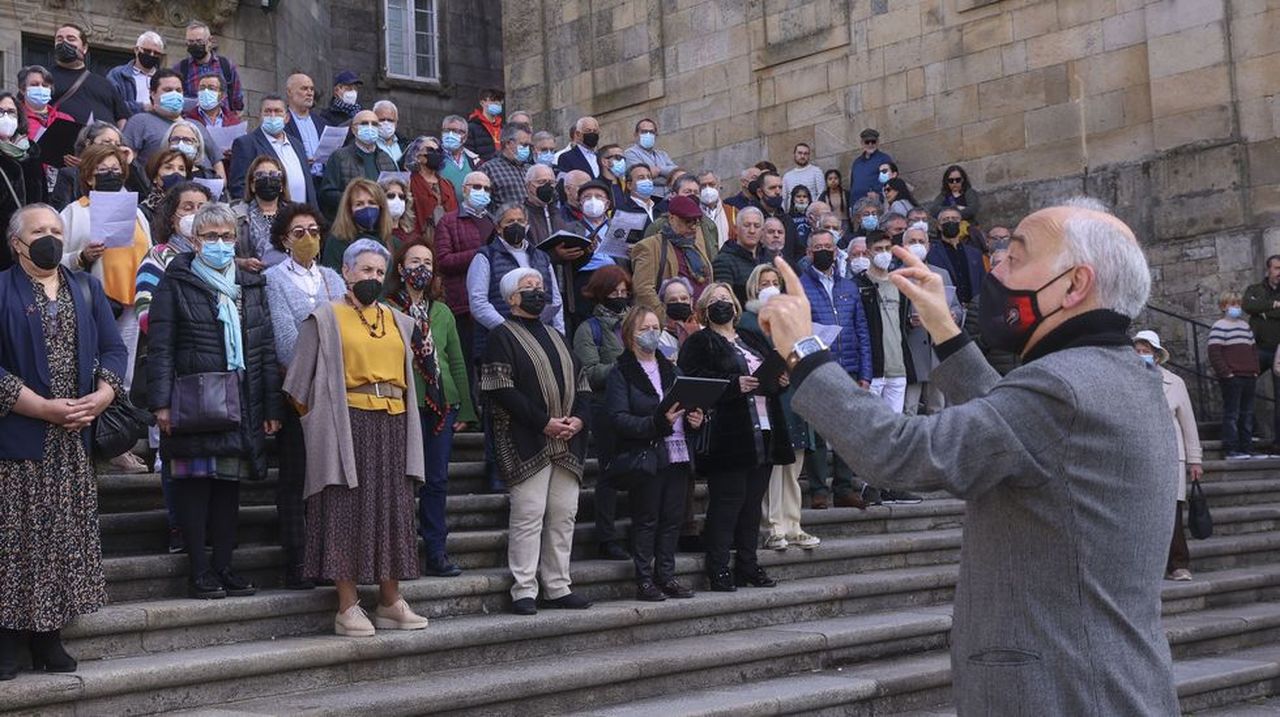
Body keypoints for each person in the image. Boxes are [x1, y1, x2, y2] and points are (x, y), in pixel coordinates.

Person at [760, 197, 1180, 715]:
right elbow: (1011, 427)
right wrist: (945, 330)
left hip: (1062, 692)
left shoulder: (1061, 387)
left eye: (1016, 257)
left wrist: (804, 350)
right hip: (1109, 681)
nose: (996, 267)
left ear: (1075, 285)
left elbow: (901, 453)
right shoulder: (1119, 373)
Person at [0, 203, 126, 680]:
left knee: (62, 538)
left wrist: (103, 395)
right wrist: (39, 406)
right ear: (18, 242)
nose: (50, 237)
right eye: (40, 231)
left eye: (57, 229)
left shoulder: (87, 289)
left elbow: (114, 348)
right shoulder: (2, 290)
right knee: (13, 542)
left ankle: (49, 637)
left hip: (73, 439)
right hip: (18, 438)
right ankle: (7, 641)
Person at [282, 238, 429, 636]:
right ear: (345, 272)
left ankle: (390, 600)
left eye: (380, 272)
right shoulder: (325, 317)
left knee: (394, 509)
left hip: (395, 422)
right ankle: (347, 607)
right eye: (365, 270)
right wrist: (322, 423)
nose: (373, 277)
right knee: (345, 509)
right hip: (347, 423)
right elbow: (297, 386)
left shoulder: (400, 320)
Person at [147, 202, 281, 600]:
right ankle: (199, 571)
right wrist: (161, 404)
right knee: (194, 488)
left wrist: (271, 407)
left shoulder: (249, 284)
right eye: (210, 236)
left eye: (226, 236)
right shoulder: (176, 281)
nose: (219, 243)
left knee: (228, 488)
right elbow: (160, 347)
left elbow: (264, 347)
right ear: (194, 240)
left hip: (240, 397)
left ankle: (224, 567)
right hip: (194, 398)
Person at [481, 267, 593, 616]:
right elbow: (501, 388)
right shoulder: (501, 335)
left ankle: (558, 585)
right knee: (529, 514)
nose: (536, 292)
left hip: (566, 438)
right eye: (528, 288)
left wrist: (579, 418)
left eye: (540, 287)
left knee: (564, 513)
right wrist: (543, 422)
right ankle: (524, 589)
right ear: (512, 297)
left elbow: (583, 382)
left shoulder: (557, 334)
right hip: (525, 437)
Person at [678, 283, 791, 591]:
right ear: (704, 309)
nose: (722, 305)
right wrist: (732, 383)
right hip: (728, 433)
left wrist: (779, 380)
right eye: (715, 301)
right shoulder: (700, 341)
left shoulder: (752, 338)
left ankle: (748, 564)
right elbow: (692, 380)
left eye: (726, 299)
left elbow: (768, 375)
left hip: (765, 428)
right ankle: (718, 568)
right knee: (727, 503)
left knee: (753, 505)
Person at [262, 203, 345, 589]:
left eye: (313, 230)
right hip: (297, 392)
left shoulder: (332, 278)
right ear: (284, 238)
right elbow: (284, 339)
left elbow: (349, 329)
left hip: (336, 393)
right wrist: (320, 366)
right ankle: (297, 560)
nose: (308, 238)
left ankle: (328, 557)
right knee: (296, 479)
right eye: (298, 232)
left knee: (329, 479)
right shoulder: (274, 278)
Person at [387, 240, 475, 577]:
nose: (421, 268)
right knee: (404, 480)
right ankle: (402, 551)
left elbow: (456, 361)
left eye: (427, 262)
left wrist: (464, 409)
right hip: (403, 404)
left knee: (437, 480)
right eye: (414, 261)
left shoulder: (442, 312)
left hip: (442, 405)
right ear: (400, 268)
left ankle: (437, 551)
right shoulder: (387, 308)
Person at [605, 306, 703, 600]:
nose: (652, 333)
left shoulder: (672, 369)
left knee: (672, 519)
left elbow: (687, 406)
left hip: (677, 452)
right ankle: (644, 579)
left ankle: (667, 576)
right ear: (630, 335)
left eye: (655, 327)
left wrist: (696, 420)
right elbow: (618, 418)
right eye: (644, 328)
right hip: (646, 454)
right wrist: (657, 423)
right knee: (647, 519)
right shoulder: (621, 372)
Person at [135, 182, 210, 551]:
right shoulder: (158, 256)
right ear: (172, 214)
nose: (194, 213)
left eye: (202, 205)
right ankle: (179, 524)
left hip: (213, 371)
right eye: (187, 206)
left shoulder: (219, 256)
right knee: (174, 453)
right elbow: (145, 310)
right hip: (177, 368)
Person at [60, 144, 152, 413]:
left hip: (133, 303)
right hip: (97, 305)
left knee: (124, 373)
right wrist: (82, 256)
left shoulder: (136, 212)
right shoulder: (75, 212)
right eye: (103, 170)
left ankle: (117, 433)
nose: (111, 174)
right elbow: (55, 260)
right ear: (89, 177)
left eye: (115, 169)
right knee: (94, 369)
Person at [740, 265, 819, 551]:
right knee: (774, 468)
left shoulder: (789, 317)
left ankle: (793, 524)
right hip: (771, 397)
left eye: (775, 281)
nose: (771, 286)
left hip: (795, 392)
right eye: (765, 282)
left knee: (793, 468)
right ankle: (773, 526)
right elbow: (757, 358)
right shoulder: (748, 322)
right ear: (754, 287)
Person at [797, 229, 875, 509]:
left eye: (828, 246)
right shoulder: (799, 286)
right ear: (808, 252)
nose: (824, 251)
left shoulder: (849, 287)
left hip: (849, 368)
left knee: (847, 430)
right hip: (817, 369)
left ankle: (843, 486)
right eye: (818, 246)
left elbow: (862, 330)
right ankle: (819, 488)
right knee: (817, 432)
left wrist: (865, 374)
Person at [1132, 330, 1203, 583]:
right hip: (1139, 457)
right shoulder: (1126, 381)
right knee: (1141, 512)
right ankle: (1146, 565)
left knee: (1172, 512)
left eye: (1146, 351)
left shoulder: (1175, 383)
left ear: (1157, 355)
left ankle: (1178, 564)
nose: (1142, 356)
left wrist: (1195, 459)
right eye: (1138, 351)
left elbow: (1188, 424)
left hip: (1172, 457)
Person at [572, 265, 633, 560]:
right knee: (609, 472)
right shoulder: (589, 329)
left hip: (638, 407)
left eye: (624, 292)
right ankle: (606, 536)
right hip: (606, 407)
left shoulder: (635, 322)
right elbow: (590, 372)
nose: (620, 298)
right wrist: (625, 366)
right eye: (614, 292)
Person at [902, 225, 963, 417]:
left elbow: (955, 305)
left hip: (937, 351)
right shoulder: (897, 274)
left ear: (928, 247)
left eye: (921, 242)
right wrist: (909, 321)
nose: (917, 245)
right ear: (903, 246)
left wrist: (954, 315)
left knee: (938, 407)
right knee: (908, 407)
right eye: (912, 242)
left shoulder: (940, 273)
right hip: (911, 350)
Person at [436, 171, 496, 360]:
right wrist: (480, 254)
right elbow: (443, 261)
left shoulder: (494, 221)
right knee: (467, 361)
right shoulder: (448, 221)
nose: (482, 192)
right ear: (464, 190)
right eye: (476, 187)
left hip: (493, 303)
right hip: (463, 304)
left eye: (486, 189)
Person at [855, 232, 914, 415]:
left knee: (894, 427)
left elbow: (903, 324)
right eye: (878, 249)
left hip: (898, 367)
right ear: (868, 252)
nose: (884, 253)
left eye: (887, 249)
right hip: (873, 369)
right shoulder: (858, 285)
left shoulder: (900, 285)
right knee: (870, 426)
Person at [121, 70, 223, 174]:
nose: (174, 94)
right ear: (152, 93)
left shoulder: (197, 125)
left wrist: (220, 186)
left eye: (178, 90)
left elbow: (216, 161)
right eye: (168, 90)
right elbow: (126, 161)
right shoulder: (140, 122)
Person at [632, 194, 714, 316]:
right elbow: (643, 289)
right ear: (671, 219)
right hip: (671, 322)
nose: (693, 227)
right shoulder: (649, 247)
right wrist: (665, 318)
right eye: (687, 221)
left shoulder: (696, 245)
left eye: (696, 222)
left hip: (701, 319)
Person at [228, 94, 315, 206]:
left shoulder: (297, 144)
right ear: (260, 116)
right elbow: (239, 186)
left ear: (287, 118)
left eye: (278, 111)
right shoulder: (246, 144)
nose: (273, 116)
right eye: (268, 111)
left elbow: (308, 184)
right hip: (268, 216)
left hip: (301, 215)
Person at [1208, 291, 1259, 460]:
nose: (1236, 308)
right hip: (1232, 377)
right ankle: (1231, 447)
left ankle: (1247, 446)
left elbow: (1253, 350)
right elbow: (1215, 353)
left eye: (1237, 304)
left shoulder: (1245, 326)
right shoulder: (1219, 326)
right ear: (1223, 307)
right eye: (1232, 304)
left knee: (1247, 413)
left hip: (1249, 375)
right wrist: (1226, 373)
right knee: (1232, 413)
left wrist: (1255, 369)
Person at [319, 110, 398, 218]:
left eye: (374, 124)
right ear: (353, 129)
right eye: (364, 123)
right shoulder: (339, 157)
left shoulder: (386, 158)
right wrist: (356, 199)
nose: (370, 127)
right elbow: (327, 193)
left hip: (381, 221)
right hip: (350, 222)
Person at [0, 91, 47, 272]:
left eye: (11, 112)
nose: (6, 117)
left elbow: (42, 199)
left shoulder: (31, 153)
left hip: (29, 247)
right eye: (1, 111)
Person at [48, 24, 129, 127]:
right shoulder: (44, 79)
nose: (64, 42)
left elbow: (122, 117)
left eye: (71, 39)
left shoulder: (104, 84)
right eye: (59, 39)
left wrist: (116, 138)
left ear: (85, 48)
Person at [1243, 255, 1280, 446]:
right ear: (1268, 270)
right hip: (1257, 348)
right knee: (1244, 389)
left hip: (1279, 352)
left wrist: (1264, 311)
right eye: (1276, 268)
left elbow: (1256, 308)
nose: (1279, 273)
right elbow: (1248, 305)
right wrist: (1272, 305)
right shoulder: (1255, 289)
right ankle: (1245, 438)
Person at [232, 156, 291, 271]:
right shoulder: (236, 214)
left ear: (282, 185)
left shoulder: (296, 213)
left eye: (274, 175)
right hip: (253, 280)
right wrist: (242, 263)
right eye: (261, 175)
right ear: (252, 185)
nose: (268, 180)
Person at [321, 178, 391, 271]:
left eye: (372, 203)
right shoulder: (337, 242)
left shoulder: (389, 241)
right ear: (349, 210)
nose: (367, 207)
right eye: (359, 204)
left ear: (381, 207)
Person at [174, 21, 244, 113]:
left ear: (210, 41)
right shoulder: (181, 69)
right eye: (191, 42)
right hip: (192, 122)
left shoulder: (226, 66)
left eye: (199, 41)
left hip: (221, 122)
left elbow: (237, 101)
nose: (195, 45)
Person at [927, 206, 986, 306]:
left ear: (961, 224)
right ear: (939, 226)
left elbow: (982, 282)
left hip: (974, 309)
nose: (950, 222)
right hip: (947, 308)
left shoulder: (975, 253)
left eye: (954, 219)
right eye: (946, 219)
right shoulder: (931, 253)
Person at [712, 206, 767, 304]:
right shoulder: (723, 261)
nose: (752, 230)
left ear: (762, 231)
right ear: (736, 229)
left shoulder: (768, 258)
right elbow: (723, 300)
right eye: (747, 225)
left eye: (757, 226)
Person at [106, 31, 166, 116]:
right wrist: (143, 107)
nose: (152, 55)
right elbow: (111, 103)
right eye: (147, 51)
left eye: (156, 53)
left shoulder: (165, 79)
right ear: (136, 50)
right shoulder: (118, 74)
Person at [282, 72, 330, 177]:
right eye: (304, 89)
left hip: (323, 183)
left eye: (311, 89)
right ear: (289, 92)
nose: (310, 93)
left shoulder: (322, 123)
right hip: (298, 180)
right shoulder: (281, 124)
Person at [406, 136, 458, 230]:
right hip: (420, 237)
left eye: (438, 151)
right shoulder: (408, 182)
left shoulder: (447, 184)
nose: (435, 154)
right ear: (417, 156)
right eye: (430, 150)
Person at [19, 65, 75, 146]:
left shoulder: (66, 120)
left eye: (45, 85)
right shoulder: (15, 119)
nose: (40, 88)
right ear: (22, 90)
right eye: (34, 85)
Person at [623, 119, 678, 198]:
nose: (648, 134)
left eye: (651, 132)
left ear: (656, 135)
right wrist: (667, 177)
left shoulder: (662, 154)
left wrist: (658, 170)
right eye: (644, 132)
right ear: (636, 135)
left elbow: (676, 173)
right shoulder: (630, 153)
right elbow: (641, 176)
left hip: (668, 197)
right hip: (648, 197)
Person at [138, 148, 194, 223]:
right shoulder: (144, 212)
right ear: (155, 177)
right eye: (168, 168)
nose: (176, 173)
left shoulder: (194, 206)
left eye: (181, 169)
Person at [481, 123, 532, 206]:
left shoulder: (530, 169)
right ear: (508, 143)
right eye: (524, 145)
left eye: (529, 145)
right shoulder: (489, 169)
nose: (527, 149)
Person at [439, 115, 482, 205]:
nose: (450, 135)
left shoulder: (474, 160)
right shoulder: (435, 156)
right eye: (446, 130)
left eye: (455, 131)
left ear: (465, 137)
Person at [523, 163, 566, 247]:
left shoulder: (559, 213)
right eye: (541, 182)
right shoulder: (522, 216)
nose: (547, 186)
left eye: (551, 182)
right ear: (528, 186)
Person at [657, 277, 700, 359]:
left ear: (691, 301)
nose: (679, 302)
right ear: (663, 306)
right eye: (673, 300)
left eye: (684, 298)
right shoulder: (661, 339)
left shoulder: (703, 330)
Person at [848, 128, 892, 206]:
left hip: (875, 204)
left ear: (877, 142)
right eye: (867, 142)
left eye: (873, 141)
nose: (870, 144)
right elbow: (852, 184)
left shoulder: (884, 159)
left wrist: (879, 195)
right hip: (856, 204)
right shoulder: (857, 162)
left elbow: (890, 182)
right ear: (862, 143)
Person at [381, 176, 420, 253]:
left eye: (401, 196)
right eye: (391, 196)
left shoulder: (412, 236)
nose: (397, 200)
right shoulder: (378, 236)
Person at [465, 89, 505, 162]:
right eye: (493, 101)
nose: (497, 104)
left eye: (499, 101)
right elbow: (469, 153)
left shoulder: (503, 128)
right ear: (482, 103)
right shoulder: (472, 127)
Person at [782, 143, 823, 210]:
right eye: (800, 153)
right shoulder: (787, 176)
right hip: (792, 215)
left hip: (812, 214)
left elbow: (821, 194)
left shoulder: (816, 171)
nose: (802, 156)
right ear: (794, 154)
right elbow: (784, 198)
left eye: (806, 153)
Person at [372, 100, 408, 168]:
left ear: (396, 122)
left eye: (390, 120)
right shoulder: (369, 145)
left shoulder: (405, 145)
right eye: (382, 120)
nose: (386, 123)